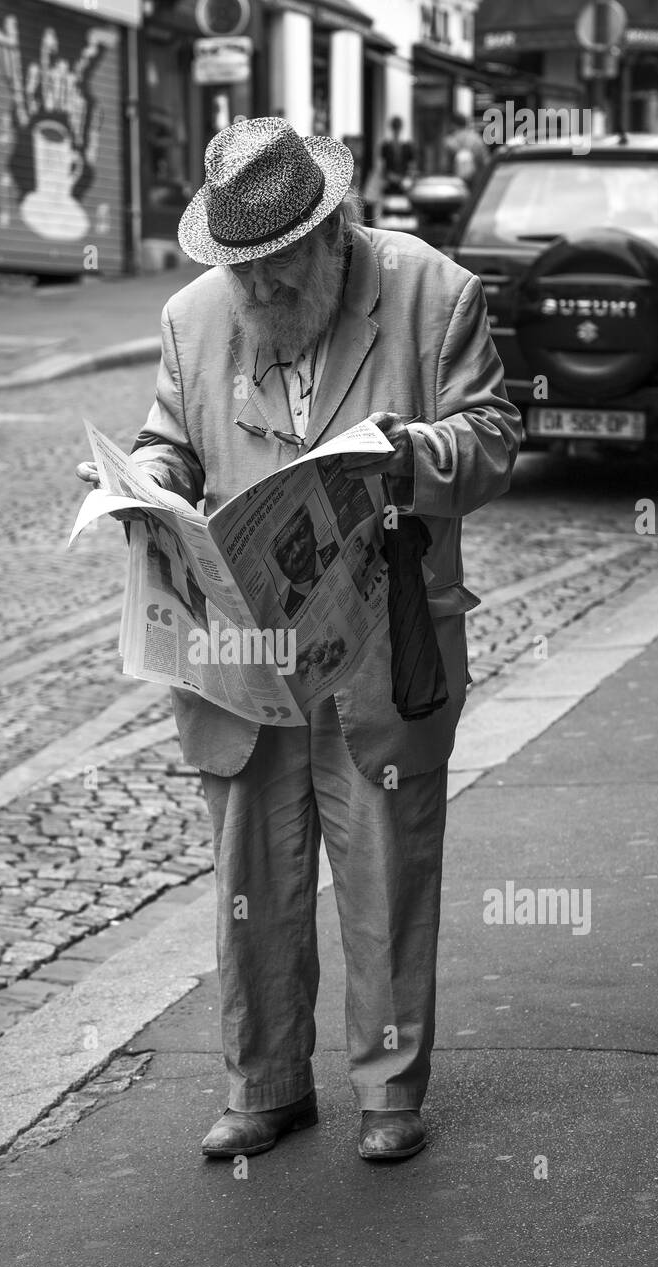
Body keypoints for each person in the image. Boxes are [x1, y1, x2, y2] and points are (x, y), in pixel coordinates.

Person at [77, 117, 521, 1163]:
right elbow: (168, 436)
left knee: (384, 876)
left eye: (277, 272)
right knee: (252, 883)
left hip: (376, 638)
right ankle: (265, 1083)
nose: (261, 295)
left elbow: (493, 439)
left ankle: (387, 1092)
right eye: (243, 277)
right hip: (240, 652)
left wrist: (404, 454)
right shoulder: (196, 316)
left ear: (328, 236)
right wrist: (148, 484)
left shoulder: (431, 292)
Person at [272, 505, 339, 618]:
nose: (298, 550)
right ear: (279, 564)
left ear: (312, 527)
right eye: (286, 551)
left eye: (302, 533)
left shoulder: (338, 547)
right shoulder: (285, 613)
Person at [444, 112, 487, 187]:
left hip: (456, 188)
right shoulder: (477, 139)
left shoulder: (449, 141)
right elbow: (485, 163)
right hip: (475, 186)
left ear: (453, 124)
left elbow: (444, 167)